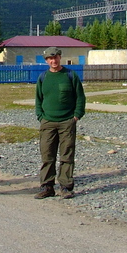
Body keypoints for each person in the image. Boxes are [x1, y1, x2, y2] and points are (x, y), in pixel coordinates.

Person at [34, 47, 85, 200]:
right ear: (46, 61)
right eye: (50, 58)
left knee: (67, 155)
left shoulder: (70, 75)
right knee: (47, 155)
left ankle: (66, 186)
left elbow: (80, 98)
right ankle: (47, 186)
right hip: (48, 122)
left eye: (55, 57)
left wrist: (76, 116)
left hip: (66, 122)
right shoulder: (43, 77)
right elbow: (38, 100)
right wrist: (40, 117)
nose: (53, 61)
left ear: (60, 58)